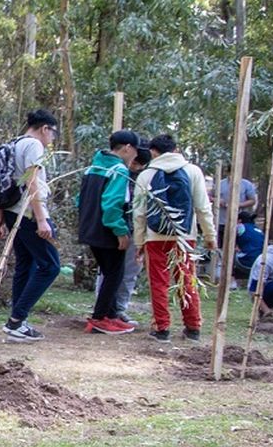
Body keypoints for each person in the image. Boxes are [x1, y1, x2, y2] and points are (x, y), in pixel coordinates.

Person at [132, 134, 216, 342]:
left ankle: (161, 328)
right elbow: (203, 207)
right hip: (185, 236)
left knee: (158, 282)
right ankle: (193, 327)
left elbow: (139, 213)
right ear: (176, 149)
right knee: (187, 278)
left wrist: (139, 242)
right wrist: (210, 235)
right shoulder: (193, 171)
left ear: (153, 152)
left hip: (155, 237)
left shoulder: (146, 174)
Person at [0, 109, 61, 343]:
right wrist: (41, 219)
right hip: (28, 214)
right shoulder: (33, 146)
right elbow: (33, 182)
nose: (52, 139)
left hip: (12, 213)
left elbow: (1, 184)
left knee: (26, 264)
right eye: (53, 133)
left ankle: (17, 322)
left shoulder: (13, 144)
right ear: (45, 128)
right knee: (50, 265)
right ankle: (16, 320)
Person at [76, 130, 140, 335]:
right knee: (115, 273)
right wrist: (120, 231)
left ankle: (110, 315)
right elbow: (113, 204)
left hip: (90, 228)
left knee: (109, 271)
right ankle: (99, 318)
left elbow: (80, 199)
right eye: (135, 151)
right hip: (107, 231)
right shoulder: (119, 169)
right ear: (127, 148)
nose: (135, 157)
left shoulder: (93, 167)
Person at [95, 145, 151, 327]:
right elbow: (112, 204)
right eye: (135, 163)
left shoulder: (143, 177)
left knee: (129, 272)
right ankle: (103, 310)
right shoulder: (116, 172)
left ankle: (117, 310)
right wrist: (119, 230)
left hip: (135, 230)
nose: (136, 167)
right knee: (110, 272)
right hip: (118, 230)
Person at [215, 165, 258, 252]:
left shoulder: (246, 185)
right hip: (222, 220)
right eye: (231, 173)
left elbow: (252, 200)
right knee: (221, 244)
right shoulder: (220, 184)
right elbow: (210, 196)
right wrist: (218, 200)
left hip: (239, 222)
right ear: (228, 173)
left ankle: (235, 261)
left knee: (237, 245)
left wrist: (239, 205)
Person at [248, 225, 273, 313]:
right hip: (262, 293)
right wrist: (267, 311)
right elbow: (254, 289)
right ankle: (264, 311)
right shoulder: (267, 259)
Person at [233, 210, 265, 280]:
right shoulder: (259, 230)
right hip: (260, 263)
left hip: (245, 262)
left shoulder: (240, 227)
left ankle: (232, 276)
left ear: (239, 220)